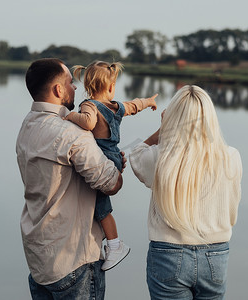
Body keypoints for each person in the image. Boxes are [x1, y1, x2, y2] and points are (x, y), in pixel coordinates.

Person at [16, 58, 125, 299]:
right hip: (74, 261)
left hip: (39, 259)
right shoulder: (72, 133)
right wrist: (116, 164)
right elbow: (111, 183)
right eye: (70, 82)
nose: (76, 87)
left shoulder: (27, 125)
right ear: (58, 90)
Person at [129, 85, 243, 300]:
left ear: (173, 117)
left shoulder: (160, 157)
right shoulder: (232, 157)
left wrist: (163, 129)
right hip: (215, 254)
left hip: (168, 254)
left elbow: (135, 154)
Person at [64, 60, 157, 271]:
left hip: (101, 157)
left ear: (88, 86)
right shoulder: (115, 106)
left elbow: (87, 123)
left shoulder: (89, 105)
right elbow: (134, 106)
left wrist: (70, 116)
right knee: (99, 203)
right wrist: (149, 101)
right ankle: (110, 242)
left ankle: (115, 244)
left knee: (101, 207)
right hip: (114, 155)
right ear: (111, 87)